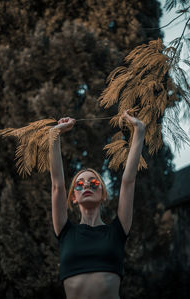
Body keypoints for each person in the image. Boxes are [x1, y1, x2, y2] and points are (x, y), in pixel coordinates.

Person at [49, 110, 145, 299]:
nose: (86, 185)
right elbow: (57, 185)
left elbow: (128, 181)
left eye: (93, 183)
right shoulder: (65, 231)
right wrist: (54, 134)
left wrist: (139, 129)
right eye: (79, 183)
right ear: (73, 197)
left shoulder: (117, 230)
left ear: (102, 194)